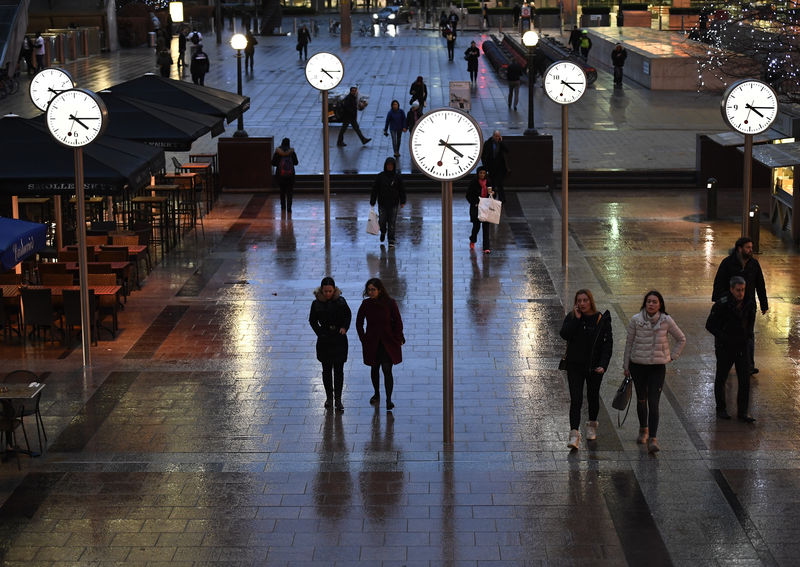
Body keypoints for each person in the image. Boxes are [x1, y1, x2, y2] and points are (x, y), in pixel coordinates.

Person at [622, 291, 686, 454]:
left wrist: (673, 356)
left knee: (654, 401)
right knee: (641, 399)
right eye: (649, 301)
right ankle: (644, 429)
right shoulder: (636, 320)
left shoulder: (666, 320)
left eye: (654, 302)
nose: (651, 304)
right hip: (638, 366)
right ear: (645, 303)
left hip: (657, 367)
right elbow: (628, 344)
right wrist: (626, 365)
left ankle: (653, 438)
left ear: (660, 304)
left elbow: (681, 338)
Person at [559, 289, 613, 450]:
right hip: (575, 366)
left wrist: (603, 364)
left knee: (592, 396)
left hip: (594, 367)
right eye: (579, 301)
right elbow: (564, 334)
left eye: (585, 300)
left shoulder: (600, 319)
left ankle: (591, 424)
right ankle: (574, 434)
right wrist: (576, 319)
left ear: (590, 301)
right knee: (576, 400)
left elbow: (607, 344)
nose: (582, 304)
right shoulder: (572, 317)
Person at [712, 236, 768, 375]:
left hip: (749, 306)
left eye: (751, 247)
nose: (751, 250)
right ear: (739, 248)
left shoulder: (754, 264)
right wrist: (719, 301)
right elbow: (719, 283)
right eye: (748, 247)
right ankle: (727, 360)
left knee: (748, 333)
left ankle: (748, 364)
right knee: (730, 332)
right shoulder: (727, 263)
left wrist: (764, 303)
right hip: (730, 306)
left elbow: (760, 284)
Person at [706, 276, 757, 422]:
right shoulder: (722, 304)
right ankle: (721, 408)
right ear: (731, 289)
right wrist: (724, 337)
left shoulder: (749, 303)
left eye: (743, 290)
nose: (741, 293)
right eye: (738, 290)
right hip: (725, 348)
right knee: (721, 377)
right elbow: (710, 325)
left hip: (742, 347)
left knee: (744, 380)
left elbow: (750, 324)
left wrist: (747, 338)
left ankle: (743, 412)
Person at [356, 278, 404, 411]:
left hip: (387, 342)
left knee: (387, 369)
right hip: (372, 342)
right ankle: (376, 393)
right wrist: (363, 339)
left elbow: (398, 322)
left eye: (373, 290)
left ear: (380, 290)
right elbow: (359, 322)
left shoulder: (390, 303)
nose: (371, 292)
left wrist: (397, 337)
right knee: (374, 368)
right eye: (369, 290)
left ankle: (389, 399)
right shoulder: (366, 304)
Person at [309, 277, 352, 412]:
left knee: (338, 371)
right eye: (325, 291)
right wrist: (320, 332)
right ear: (321, 290)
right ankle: (329, 397)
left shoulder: (341, 301)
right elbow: (312, 320)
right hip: (325, 340)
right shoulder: (316, 304)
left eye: (330, 291)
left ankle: (338, 399)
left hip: (339, 339)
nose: (328, 294)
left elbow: (348, 316)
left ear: (334, 290)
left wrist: (345, 327)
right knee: (326, 371)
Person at [370, 157, 406, 246]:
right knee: (382, 221)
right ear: (385, 166)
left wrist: (402, 201)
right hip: (382, 203)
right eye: (388, 165)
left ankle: (391, 240)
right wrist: (373, 200)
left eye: (391, 165)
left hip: (393, 203)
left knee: (392, 222)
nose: (390, 167)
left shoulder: (397, 177)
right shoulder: (380, 177)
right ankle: (383, 231)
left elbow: (402, 189)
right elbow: (375, 189)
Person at [466, 167, 494, 253]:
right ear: (478, 173)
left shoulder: (488, 182)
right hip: (476, 206)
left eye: (484, 173)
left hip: (486, 206)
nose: (482, 175)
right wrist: (475, 202)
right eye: (480, 173)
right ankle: (473, 239)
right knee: (476, 226)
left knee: (486, 227)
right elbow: (468, 195)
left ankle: (486, 247)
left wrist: (492, 194)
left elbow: (493, 194)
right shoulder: (474, 182)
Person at [481, 130, 510, 203]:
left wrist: (501, 142)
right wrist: (485, 165)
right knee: (492, 184)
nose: (497, 138)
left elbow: (507, 150)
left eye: (498, 136)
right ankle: (492, 198)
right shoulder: (488, 143)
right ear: (493, 136)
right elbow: (483, 154)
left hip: (500, 167)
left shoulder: (501, 143)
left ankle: (502, 199)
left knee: (500, 183)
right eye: (496, 136)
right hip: (491, 167)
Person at [271, 138, 299, 212]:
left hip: (280, 175)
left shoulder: (278, 152)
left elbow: (273, 163)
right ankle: (289, 208)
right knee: (289, 192)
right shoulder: (292, 152)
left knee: (282, 191)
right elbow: (296, 162)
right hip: (290, 176)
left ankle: (283, 207)